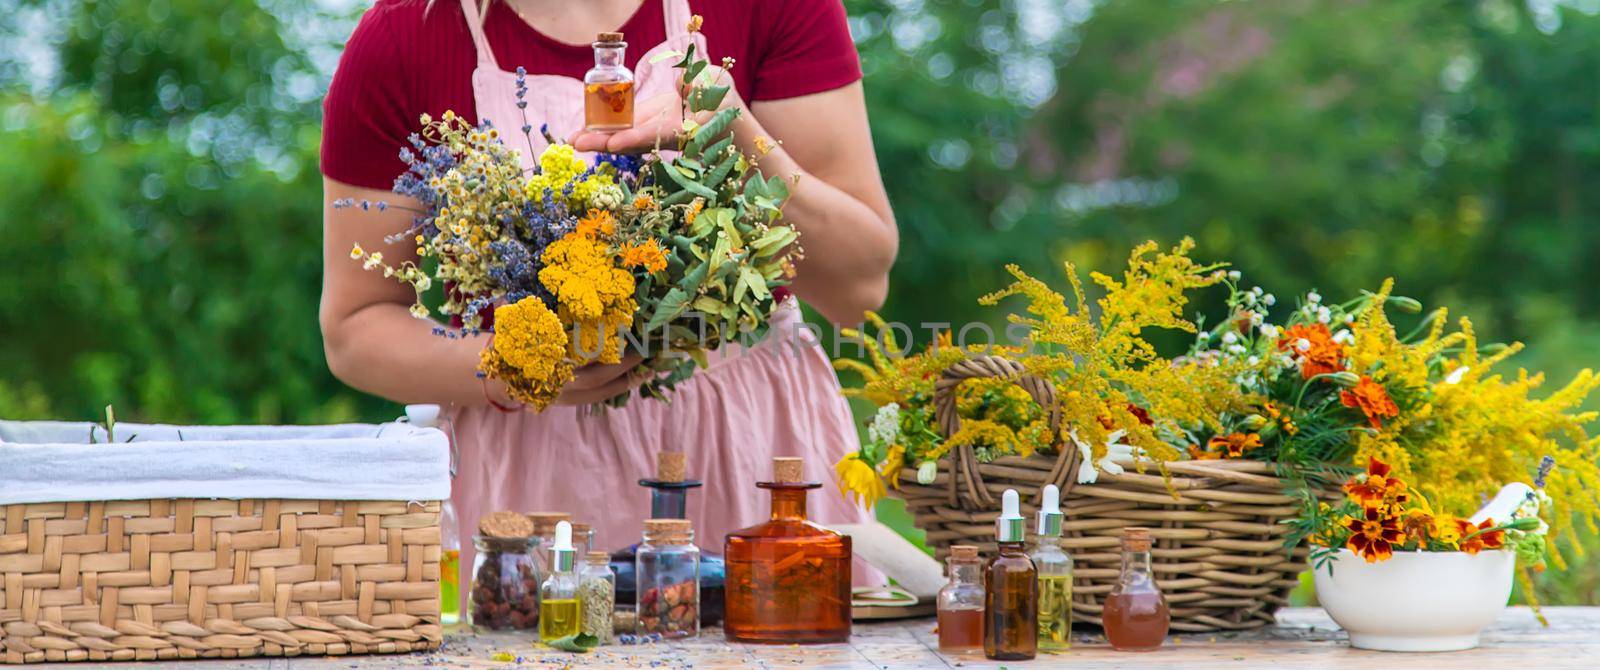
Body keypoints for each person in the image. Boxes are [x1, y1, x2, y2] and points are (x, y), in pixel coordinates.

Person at [318, 0, 898, 595]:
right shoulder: (402, 38)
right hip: (536, 475)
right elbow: (355, 327)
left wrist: (734, 135)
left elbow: (858, 287)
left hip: (758, 456)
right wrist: (516, 366)